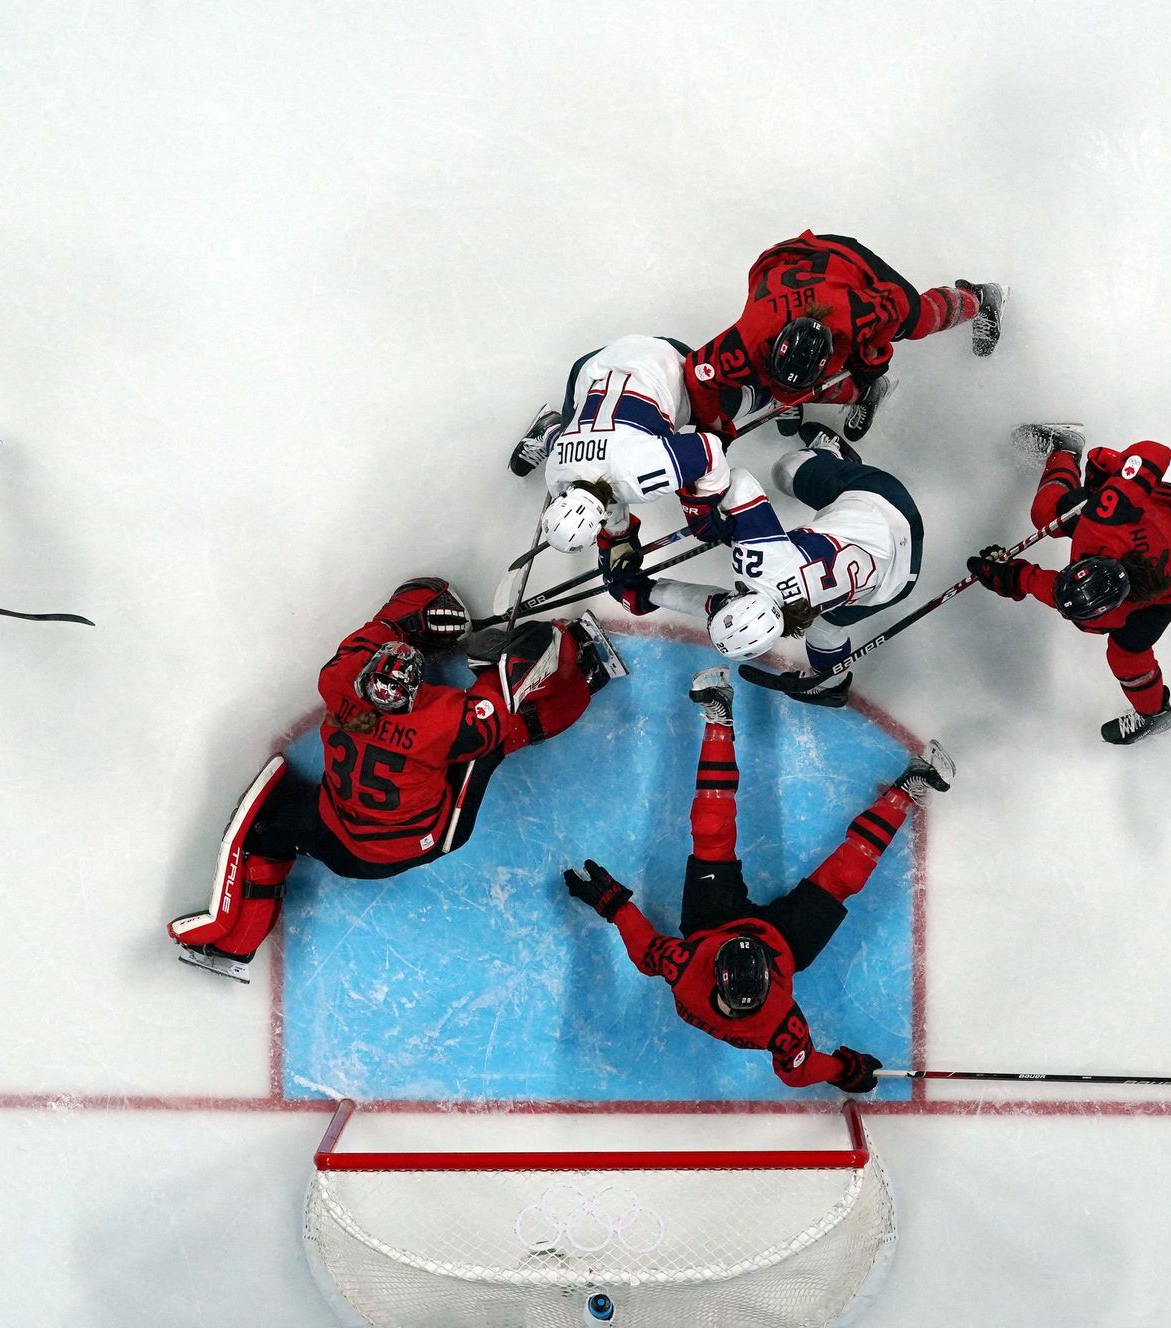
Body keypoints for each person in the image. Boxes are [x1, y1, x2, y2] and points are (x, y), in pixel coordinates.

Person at [168, 578, 625, 981]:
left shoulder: (337, 681)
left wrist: (415, 619)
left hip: (337, 840)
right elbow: (510, 684)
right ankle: (587, 677)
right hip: (423, 839)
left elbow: (388, 620)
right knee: (493, 744)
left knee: (268, 835)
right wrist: (554, 641)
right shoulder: (443, 722)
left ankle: (236, 945)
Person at [562, 667, 948, 1093]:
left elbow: (646, 952)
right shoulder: (779, 1022)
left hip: (712, 923)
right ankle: (904, 791)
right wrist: (841, 1069)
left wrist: (614, 905)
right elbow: (798, 1071)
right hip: (786, 943)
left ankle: (719, 717)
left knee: (711, 831)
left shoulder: (687, 967)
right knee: (844, 877)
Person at [604, 423, 922, 706]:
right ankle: (830, 455)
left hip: (896, 582)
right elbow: (739, 482)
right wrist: (702, 512)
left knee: (825, 627)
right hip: (884, 504)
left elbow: (716, 602)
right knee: (787, 470)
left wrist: (650, 591)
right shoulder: (762, 565)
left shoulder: (787, 617)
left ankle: (831, 684)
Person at [967, 425, 1171, 744]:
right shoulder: (1107, 515)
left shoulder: (1104, 614)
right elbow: (1156, 452)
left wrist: (1013, 577)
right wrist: (1117, 476)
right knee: (1049, 511)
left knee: (1127, 655)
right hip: (1158, 516)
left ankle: (1155, 715)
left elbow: (1057, 593)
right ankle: (1066, 447)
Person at [682, 231, 1004, 444]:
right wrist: (714, 429)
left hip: (844, 259)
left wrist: (872, 353)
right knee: (775, 381)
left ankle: (978, 297)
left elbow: (895, 301)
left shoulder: (853, 315)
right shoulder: (747, 339)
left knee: (915, 321)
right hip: (780, 261)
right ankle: (864, 392)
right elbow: (698, 376)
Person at [507, 333, 765, 576]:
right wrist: (618, 537)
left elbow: (710, 450)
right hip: (592, 365)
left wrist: (701, 508)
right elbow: (603, 478)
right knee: (571, 428)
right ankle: (549, 429)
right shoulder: (555, 473)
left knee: (742, 402)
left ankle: (774, 390)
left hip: (664, 361)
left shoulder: (639, 475)